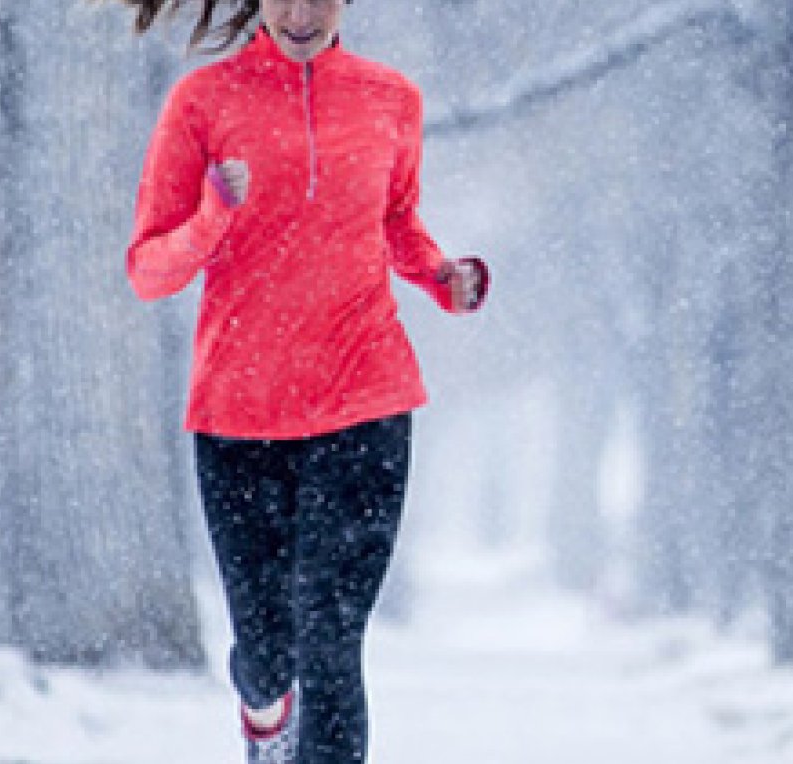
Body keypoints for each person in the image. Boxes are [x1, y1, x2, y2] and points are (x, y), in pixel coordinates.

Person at [121, 0, 489, 760]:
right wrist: (213, 216)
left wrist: (441, 277)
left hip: (365, 400)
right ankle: (264, 711)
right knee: (267, 650)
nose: (300, 13)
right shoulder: (203, 101)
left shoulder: (391, 98)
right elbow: (149, 270)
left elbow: (396, 221)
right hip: (241, 412)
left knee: (331, 635)